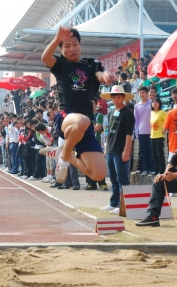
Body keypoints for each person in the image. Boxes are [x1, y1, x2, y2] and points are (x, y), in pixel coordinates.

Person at [40, 26, 114, 183]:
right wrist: (56, 39)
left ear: (80, 45)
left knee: (98, 174)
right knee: (82, 120)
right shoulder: (61, 64)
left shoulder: (90, 64)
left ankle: (63, 153)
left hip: (85, 125)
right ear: (61, 49)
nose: (72, 49)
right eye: (67, 46)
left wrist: (105, 75)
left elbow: (99, 75)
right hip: (67, 118)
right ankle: (64, 159)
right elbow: (45, 58)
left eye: (75, 44)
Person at [100, 85, 135, 215]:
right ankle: (113, 202)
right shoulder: (110, 113)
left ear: (123, 98)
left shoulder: (127, 114)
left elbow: (129, 134)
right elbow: (109, 131)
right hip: (110, 149)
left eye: (118, 97)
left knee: (122, 179)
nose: (116, 99)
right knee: (113, 179)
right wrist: (106, 147)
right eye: (114, 97)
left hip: (120, 150)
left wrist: (126, 150)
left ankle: (122, 205)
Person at [84, 97, 108, 191]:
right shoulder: (86, 115)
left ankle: (102, 183)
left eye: (93, 103)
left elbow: (97, 128)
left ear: (96, 104)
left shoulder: (99, 115)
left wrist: (88, 127)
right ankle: (90, 183)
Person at [135, 86, 155, 176]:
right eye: (140, 93)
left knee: (151, 151)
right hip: (142, 131)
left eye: (143, 92)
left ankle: (152, 169)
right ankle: (144, 169)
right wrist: (136, 133)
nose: (142, 94)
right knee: (143, 152)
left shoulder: (152, 104)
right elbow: (136, 120)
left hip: (152, 131)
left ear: (147, 93)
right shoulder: (137, 106)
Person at [150, 96, 167, 175]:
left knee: (160, 153)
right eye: (153, 102)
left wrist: (165, 129)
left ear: (159, 104)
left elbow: (168, 121)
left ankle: (161, 170)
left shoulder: (162, 112)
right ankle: (156, 169)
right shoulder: (152, 112)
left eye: (156, 102)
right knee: (154, 154)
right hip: (152, 136)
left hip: (160, 136)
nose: (155, 104)